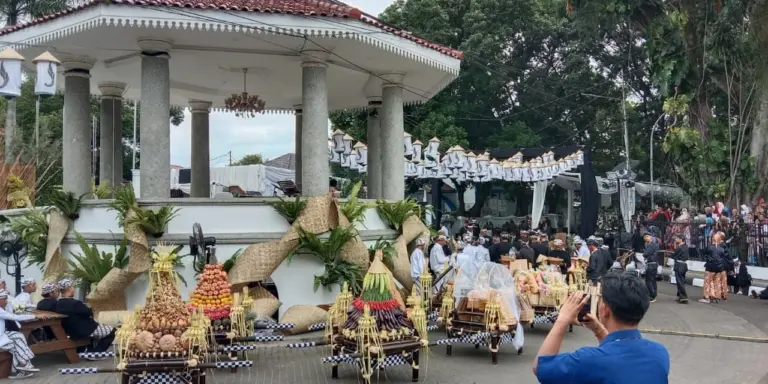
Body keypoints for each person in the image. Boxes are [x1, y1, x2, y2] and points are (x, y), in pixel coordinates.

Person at [533, 273, 670, 384]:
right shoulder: (659, 353)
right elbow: (620, 357)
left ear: (605, 309)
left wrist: (562, 320)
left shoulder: (588, 359)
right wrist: (599, 331)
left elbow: (541, 368)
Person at [55, 279, 116, 355]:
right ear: (69, 289)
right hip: (84, 330)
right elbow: (89, 313)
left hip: (71, 331)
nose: (74, 289)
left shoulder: (58, 303)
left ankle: (89, 350)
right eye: (73, 287)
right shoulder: (75, 303)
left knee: (99, 331)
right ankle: (95, 353)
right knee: (113, 331)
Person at [0, 289, 44, 379]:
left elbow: (19, 307)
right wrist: (35, 315)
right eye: (5, 299)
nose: (6, 300)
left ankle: (24, 366)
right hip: (1, 336)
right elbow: (15, 316)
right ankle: (22, 366)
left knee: (19, 336)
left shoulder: (5, 306)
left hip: (3, 334)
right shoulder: (24, 296)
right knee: (14, 345)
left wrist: (33, 308)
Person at [700, 235, 726, 304]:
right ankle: (715, 297)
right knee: (716, 282)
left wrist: (707, 258)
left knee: (707, 282)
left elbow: (703, 252)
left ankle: (707, 297)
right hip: (719, 268)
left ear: (712, 239)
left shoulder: (709, 247)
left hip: (710, 267)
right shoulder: (722, 248)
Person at [670, 235, 689, 303]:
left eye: (677, 238)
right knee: (681, 281)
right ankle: (679, 296)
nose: (676, 239)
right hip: (684, 265)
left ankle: (683, 297)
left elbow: (674, 255)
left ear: (681, 239)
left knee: (680, 282)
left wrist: (669, 255)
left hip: (679, 265)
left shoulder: (680, 248)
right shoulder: (686, 247)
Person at [642, 234, 660, 303]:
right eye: (644, 237)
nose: (645, 238)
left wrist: (644, 253)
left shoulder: (651, 245)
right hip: (653, 264)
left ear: (651, 237)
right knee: (653, 280)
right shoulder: (651, 245)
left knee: (649, 281)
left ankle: (651, 295)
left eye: (647, 236)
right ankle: (653, 295)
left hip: (651, 265)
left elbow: (645, 254)